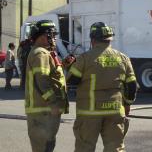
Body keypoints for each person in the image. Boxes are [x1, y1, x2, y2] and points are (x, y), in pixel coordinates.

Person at [66, 22, 137, 152]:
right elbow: (132, 85)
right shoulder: (123, 58)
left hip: (89, 114)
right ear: (110, 40)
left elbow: (72, 81)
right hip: (115, 111)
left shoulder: (85, 58)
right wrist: (127, 104)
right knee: (115, 148)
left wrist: (70, 66)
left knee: (85, 148)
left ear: (92, 39)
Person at [25, 20, 69, 152]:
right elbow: (42, 81)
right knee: (44, 147)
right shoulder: (41, 53)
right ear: (45, 35)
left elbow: (51, 77)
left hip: (44, 112)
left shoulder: (44, 53)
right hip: (43, 112)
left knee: (47, 147)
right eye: (53, 35)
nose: (54, 38)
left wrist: (64, 65)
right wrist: (54, 103)